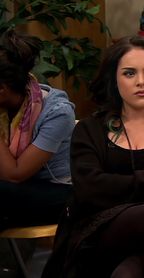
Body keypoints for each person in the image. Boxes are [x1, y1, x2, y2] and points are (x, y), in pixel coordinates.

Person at [42, 35, 144, 278]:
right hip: (98, 237)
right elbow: (89, 191)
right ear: (113, 79)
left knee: (128, 273)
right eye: (130, 73)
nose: (142, 81)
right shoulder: (90, 130)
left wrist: (118, 187)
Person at [0, 29, 75, 229]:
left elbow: (14, 174)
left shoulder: (57, 112)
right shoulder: (4, 109)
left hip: (57, 192)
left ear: (2, 90)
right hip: (13, 191)